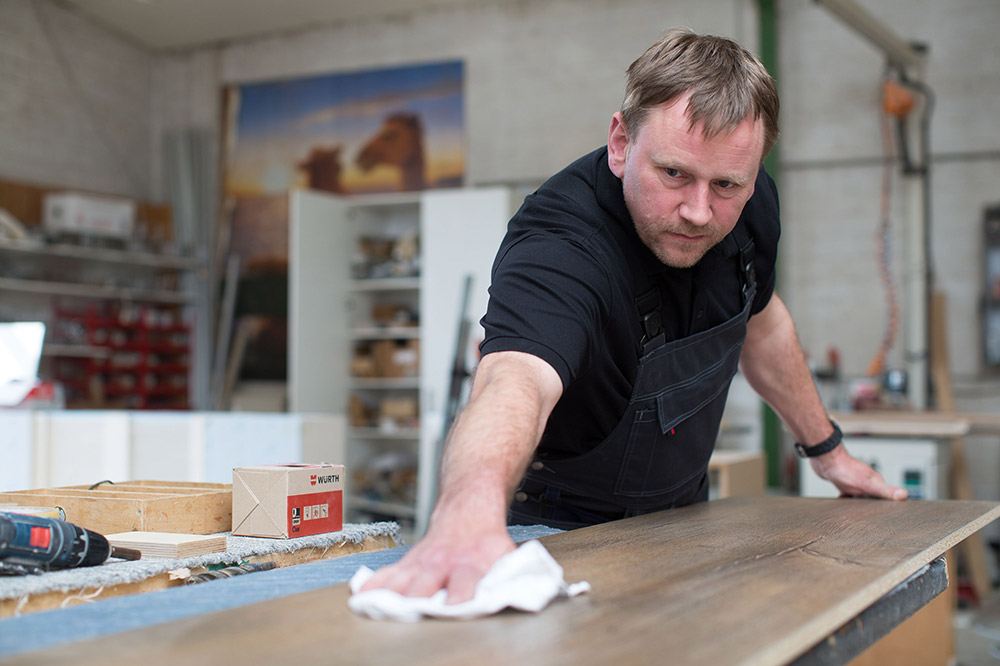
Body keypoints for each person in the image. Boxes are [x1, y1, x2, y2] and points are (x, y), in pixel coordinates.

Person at [362, 27, 907, 604]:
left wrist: (829, 453)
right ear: (621, 143)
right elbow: (515, 377)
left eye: (727, 184)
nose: (699, 212)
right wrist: (467, 515)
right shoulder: (561, 240)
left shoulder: (751, 204)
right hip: (560, 533)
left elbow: (764, 324)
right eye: (674, 174)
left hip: (684, 521)